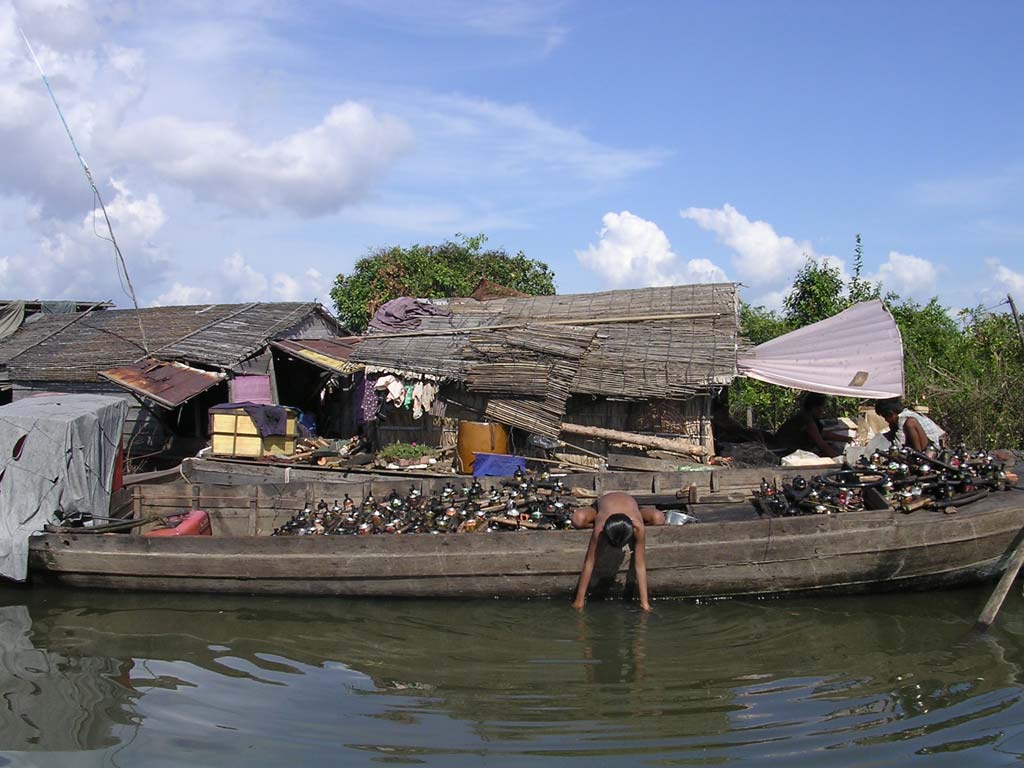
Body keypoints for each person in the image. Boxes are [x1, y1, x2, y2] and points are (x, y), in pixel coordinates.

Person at [571, 492, 665, 612]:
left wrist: (645, 603)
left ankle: (633, 517)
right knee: (578, 519)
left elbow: (640, 565)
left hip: (631, 504)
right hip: (603, 505)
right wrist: (579, 600)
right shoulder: (600, 527)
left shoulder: (638, 527)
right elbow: (589, 562)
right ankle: (598, 519)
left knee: (659, 518)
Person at [772, 392, 852, 458]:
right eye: (821, 408)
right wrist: (839, 459)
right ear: (814, 408)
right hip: (786, 451)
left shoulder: (806, 416)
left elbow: (821, 434)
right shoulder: (806, 420)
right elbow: (822, 444)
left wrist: (847, 439)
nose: (823, 411)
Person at [875, 398, 946, 452]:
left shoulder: (904, 419)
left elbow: (899, 444)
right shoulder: (907, 414)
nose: (885, 420)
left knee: (910, 423)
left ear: (891, 414)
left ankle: (919, 455)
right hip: (929, 446)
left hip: (930, 450)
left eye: (885, 417)